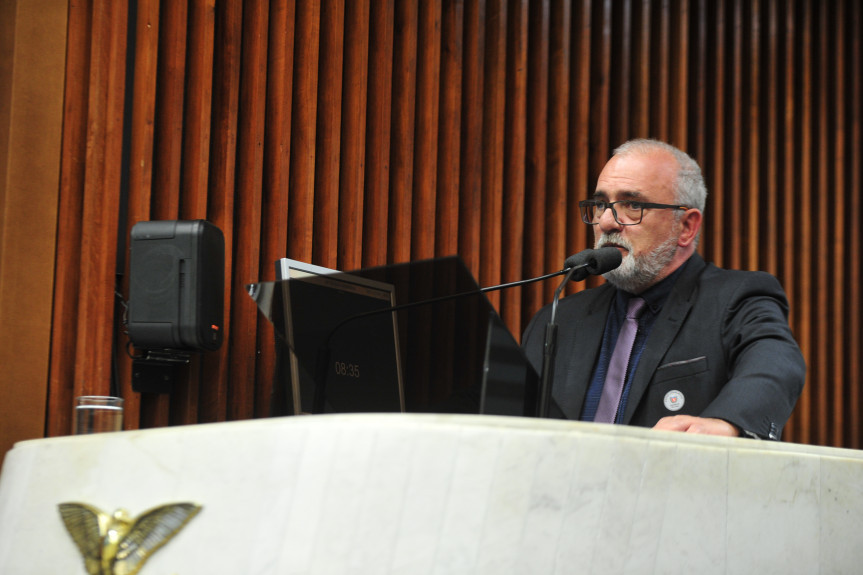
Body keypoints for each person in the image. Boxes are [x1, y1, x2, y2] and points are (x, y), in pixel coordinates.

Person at [521, 139, 805, 439]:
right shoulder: (558, 319)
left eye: (632, 205)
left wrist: (726, 422)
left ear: (686, 227)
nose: (606, 222)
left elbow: (776, 365)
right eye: (602, 204)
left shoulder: (735, 299)